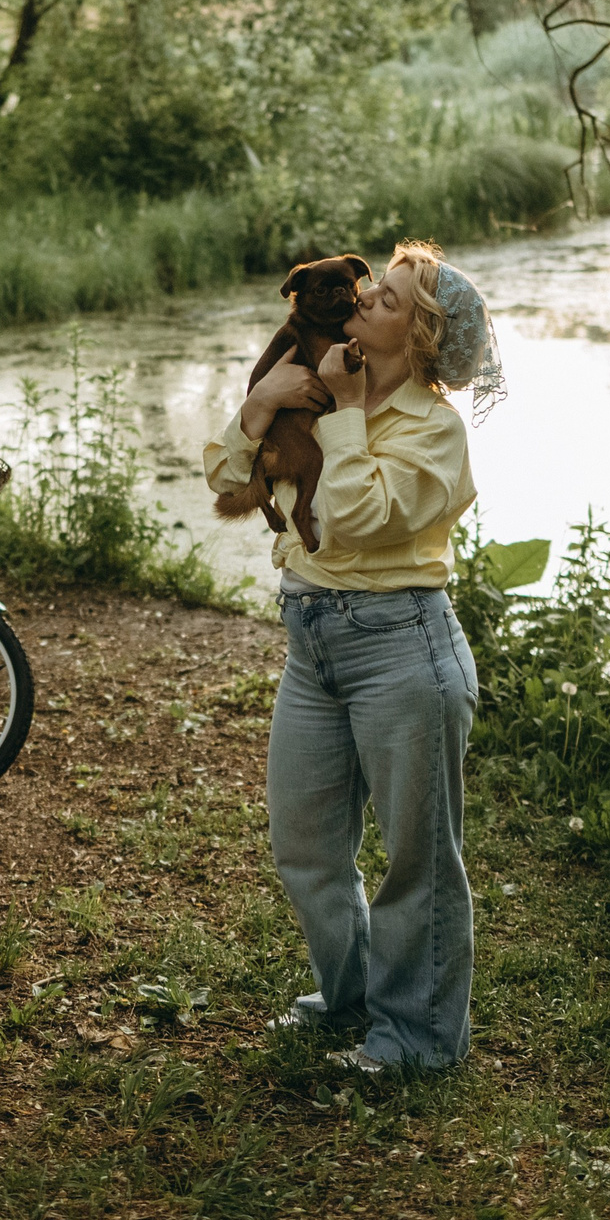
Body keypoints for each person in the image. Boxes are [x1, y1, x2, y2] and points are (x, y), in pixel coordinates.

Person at [202, 238, 504, 1074]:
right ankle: (349, 996)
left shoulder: (434, 432)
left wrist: (337, 411)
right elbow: (229, 481)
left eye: (390, 299)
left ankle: (415, 1040)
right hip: (312, 643)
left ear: (422, 340)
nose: (365, 296)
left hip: (403, 647)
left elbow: (358, 516)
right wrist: (262, 402)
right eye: (373, 288)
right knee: (306, 843)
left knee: (418, 859)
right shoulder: (308, 386)